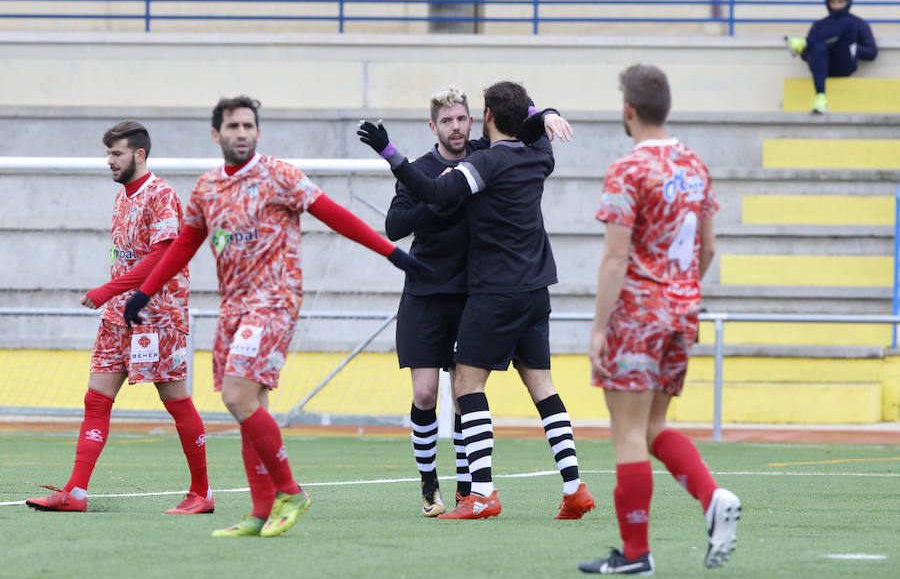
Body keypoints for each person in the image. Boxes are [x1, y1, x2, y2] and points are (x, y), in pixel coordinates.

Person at [122, 96, 427, 537]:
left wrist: (393, 254)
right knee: (251, 407)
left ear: (258, 132)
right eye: (233, 126)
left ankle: (291, 490)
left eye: (248, 125)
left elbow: (335, 216)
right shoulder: (207, 187)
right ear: (217, 135)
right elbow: (186, 243)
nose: (241, 132)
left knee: (236, 396)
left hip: (274, 301)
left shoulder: (279, 176)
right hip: (234, 308)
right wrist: (145, 292)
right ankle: (261, 511)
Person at [360, 81, 595, 521]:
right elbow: (532, 123)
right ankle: (574, 486)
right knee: (542, 385)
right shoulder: (539, 155)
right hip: (537, 287)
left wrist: (391, 153)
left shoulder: (483, 163)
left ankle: (480, 492)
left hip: (494, 291)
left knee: (466, 385)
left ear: (483, 117)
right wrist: (547, 112)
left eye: (464, 117)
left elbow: (433, 193)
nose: (457, 125)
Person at [578, 65, 740, 575]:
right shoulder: (694, 164)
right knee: (653, 427)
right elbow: (707, 246)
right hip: (681, 309)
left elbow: (614, 259)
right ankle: (711, 500)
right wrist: (681, 289)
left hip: (638, 314)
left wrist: (601, 329)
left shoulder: (629, 169)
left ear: (628, 109)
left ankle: (635, 554)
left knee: (625, 432)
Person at [26, 121, 212, 515]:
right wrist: (112, 298)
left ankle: (202, 493)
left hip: (156, 318)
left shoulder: (161, 194)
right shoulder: (122, 197)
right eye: (108, 153)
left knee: (175, 400)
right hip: (116, 318)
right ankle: (75, 492)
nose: (109, 161)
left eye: (117, 153)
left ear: (139, 155)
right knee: (96, 399)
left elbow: (162, 256)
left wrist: (105, 291)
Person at [785, 0, 877, 113]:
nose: (837, 5)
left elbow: (872, 53)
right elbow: (807, 56)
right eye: (833, 2)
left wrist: (855, 49)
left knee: (846, 23)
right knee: (818, 47)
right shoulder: (819, 25)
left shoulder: (857, 23)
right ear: (828, 3)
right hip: (823, 68)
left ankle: (804, 42)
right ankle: (821, 97)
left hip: (845, 64)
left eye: (840, 2)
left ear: (848, 2)